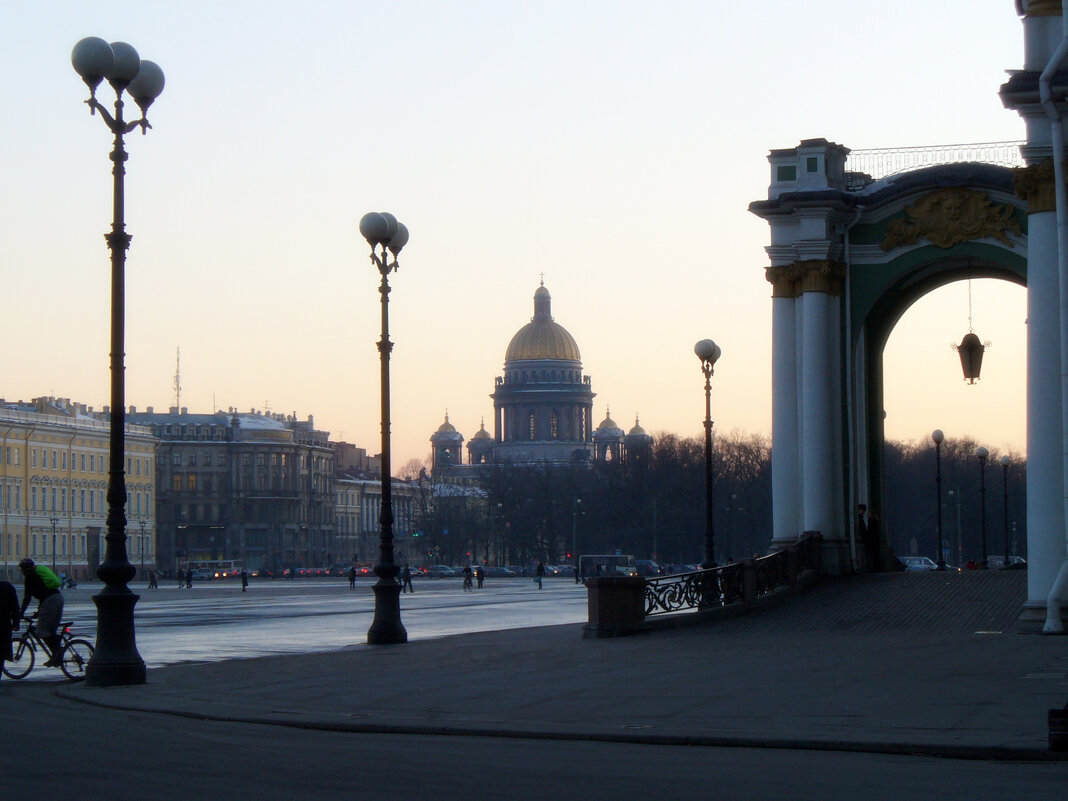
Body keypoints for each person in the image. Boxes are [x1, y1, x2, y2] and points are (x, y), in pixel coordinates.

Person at [18, 558, 64, 667]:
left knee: (41, 630)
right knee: (50, 630)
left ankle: (57, 653)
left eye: (22, 569)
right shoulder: (37, 574)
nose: (23, 571)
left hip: (50, 601)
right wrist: (39, 612)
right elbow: (43, 592)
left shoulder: (30, 577)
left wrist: (21, 612)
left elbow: (27, 597)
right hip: (57, 598)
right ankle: (57, 655)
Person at [1, 579, 19, 682]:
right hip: (4, 625)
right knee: (2, 652)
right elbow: (15, 607)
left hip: (4, 625)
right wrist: (16, 623)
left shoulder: (7, 587)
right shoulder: (7, 587)